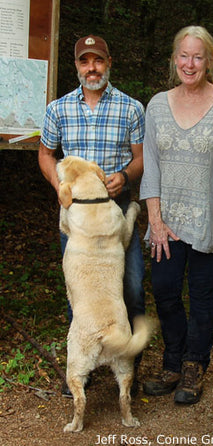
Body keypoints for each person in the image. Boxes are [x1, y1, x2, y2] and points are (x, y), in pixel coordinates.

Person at [140, 25, 213, 404]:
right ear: (174, 59)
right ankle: (172, 360)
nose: (190, 63)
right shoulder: (156, 105)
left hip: (211, 220)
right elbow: (150, 166)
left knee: (202, 296)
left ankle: (194, 366)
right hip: (165, 221)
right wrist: (154, 219)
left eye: (197, 56)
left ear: (210, 61)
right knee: (165, 292)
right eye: (183, 56)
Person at [38, 35, 146, 396]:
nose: (92, 68)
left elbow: (142, 157)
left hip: (114, 212)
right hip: (77, 217)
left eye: (97, 60)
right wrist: (59, 187)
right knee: (79, 294)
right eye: (85, 62)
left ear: (109, 62)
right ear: (76, 67)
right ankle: (80, 369)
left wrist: (126, 176)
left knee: (129, 288)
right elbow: (45, 154)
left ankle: (127, 369)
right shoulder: (59, 109)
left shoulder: (131, 108)